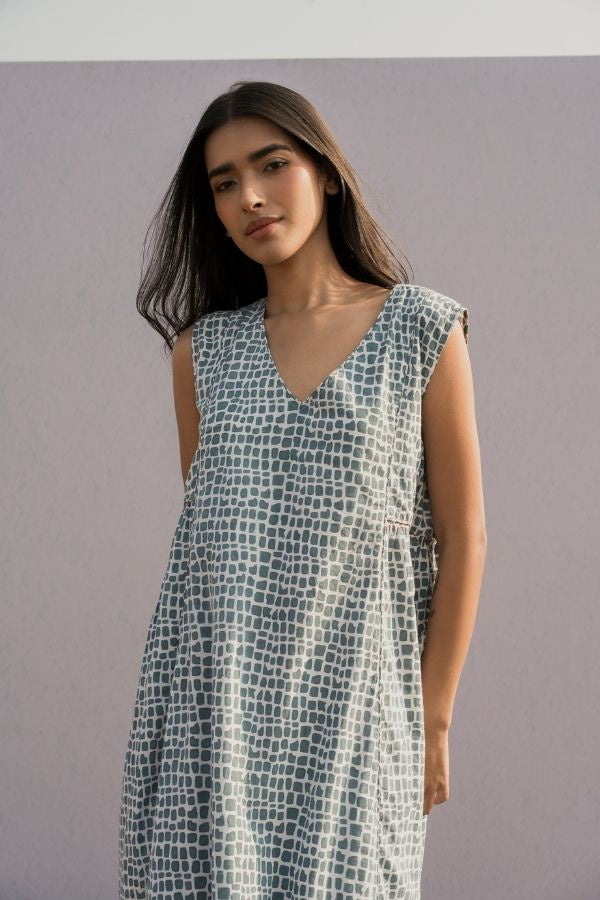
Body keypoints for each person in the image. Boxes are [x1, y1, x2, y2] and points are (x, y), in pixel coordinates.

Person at [118, 79, 487, 900]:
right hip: (214, 722)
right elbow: (214, 555)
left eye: (271, 164)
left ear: (325, 171)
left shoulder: (422, 330)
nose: (249, 196)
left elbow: (464, 539)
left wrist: (431, 720)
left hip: (357, 715)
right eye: (224, 183)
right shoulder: (202, 353)